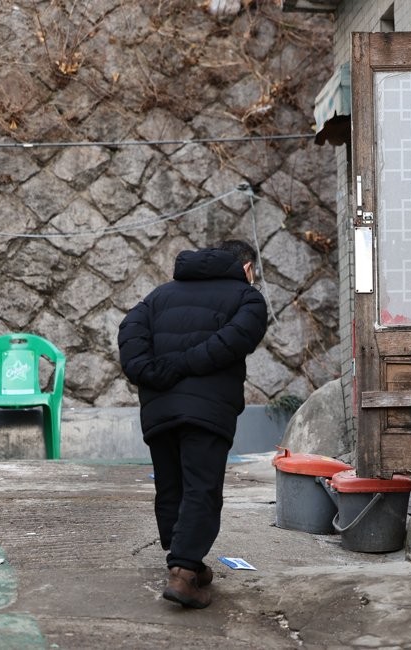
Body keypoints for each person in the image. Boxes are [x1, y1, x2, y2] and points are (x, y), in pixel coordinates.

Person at [117, 240, 268, 609]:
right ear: (247, 268)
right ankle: (183, 573)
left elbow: (128, 333)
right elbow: (231, 342)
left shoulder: (157, 297)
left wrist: (154, 371)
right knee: (201, 488)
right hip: (208, 411)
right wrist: (185, 365)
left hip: (160, 408)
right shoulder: (248, 298)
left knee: (172, 487)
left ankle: (187, 561)